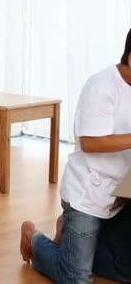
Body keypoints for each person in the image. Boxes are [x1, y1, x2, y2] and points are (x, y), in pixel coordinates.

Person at [20, 27, 131, 283]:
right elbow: (90, 142)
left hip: (123, 196)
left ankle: (75, 238)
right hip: (89, 195)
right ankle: (34, 238)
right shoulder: (101, 85)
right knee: (77, 278)